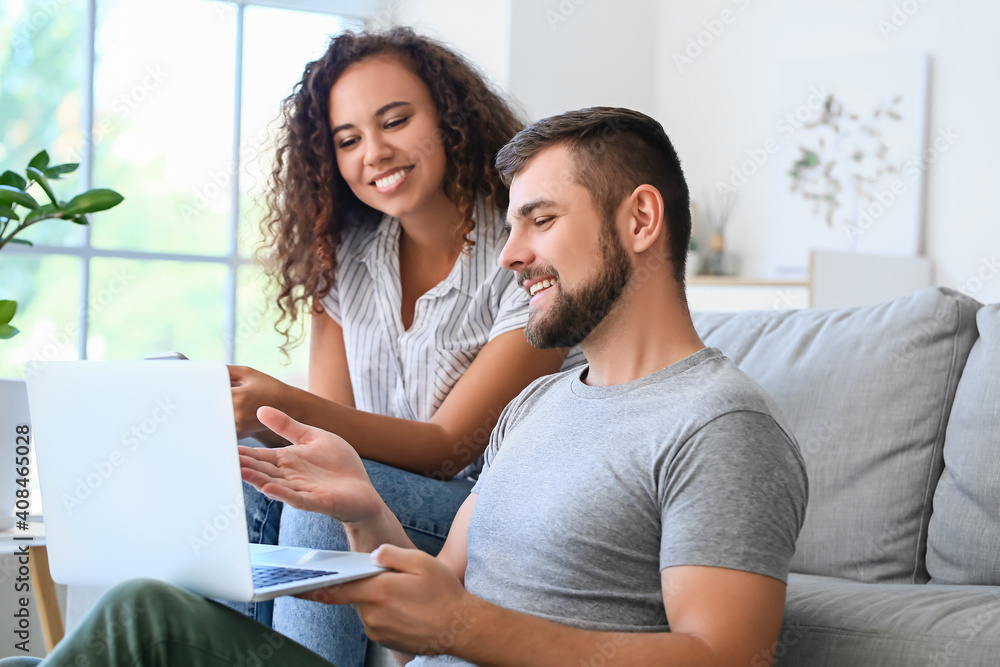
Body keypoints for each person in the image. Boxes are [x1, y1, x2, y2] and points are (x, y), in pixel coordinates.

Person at [5, 107, 808, 667]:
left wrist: (463, 625)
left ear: (640, 220)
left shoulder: (721, 424)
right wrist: (364, 513)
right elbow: (426, 619)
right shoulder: (540, 403)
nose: (509, 254)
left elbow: (722, 657)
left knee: (142, 618)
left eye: (541, 219)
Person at [222, 27, 578, 667]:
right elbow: (322, 433)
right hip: (391, 495)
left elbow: (448, 452)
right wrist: (248, 420)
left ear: (449, 118)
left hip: (487, 514)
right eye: (348, 139)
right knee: (241, 476)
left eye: (396, 121)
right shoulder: (345, 259)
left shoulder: (527, 255)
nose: (375, 153)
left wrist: (277, 400)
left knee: (322, 505)